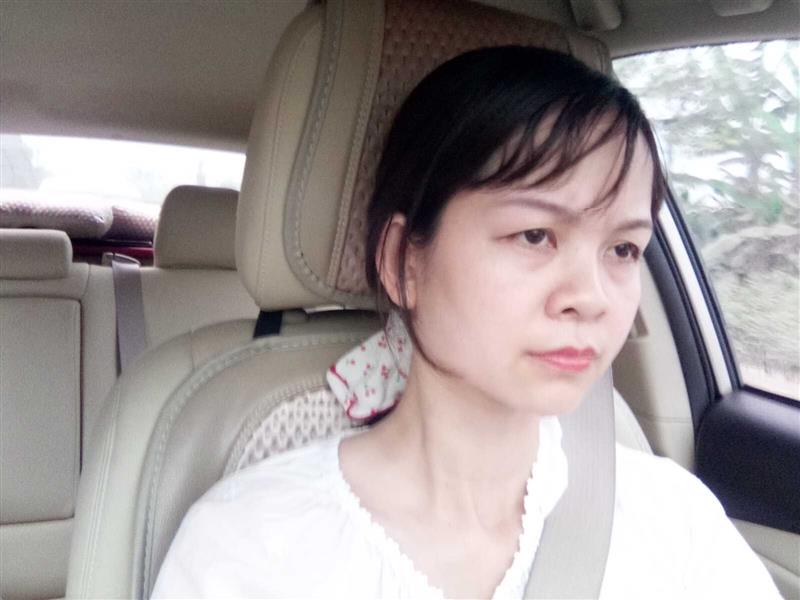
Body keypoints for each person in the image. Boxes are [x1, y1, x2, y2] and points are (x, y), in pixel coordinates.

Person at [152, 46, 780, 599]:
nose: (592, 297)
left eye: (622, 249)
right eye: (534, 235)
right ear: (404, 262)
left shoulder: (676, 522)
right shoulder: (252, 547)